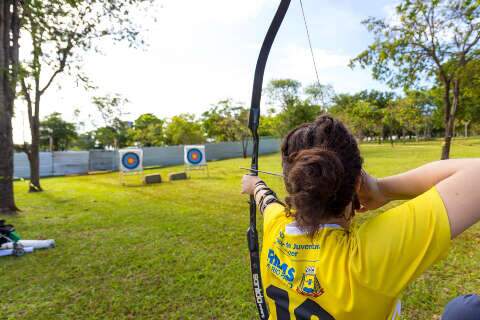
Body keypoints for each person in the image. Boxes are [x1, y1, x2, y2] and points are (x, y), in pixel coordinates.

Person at [241, 115, 480, 320]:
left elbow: (266, 200)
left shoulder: (276, 224)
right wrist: (381, 189)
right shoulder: (367, 258)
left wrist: (254, 183)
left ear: (292, 182)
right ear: (357, 182)